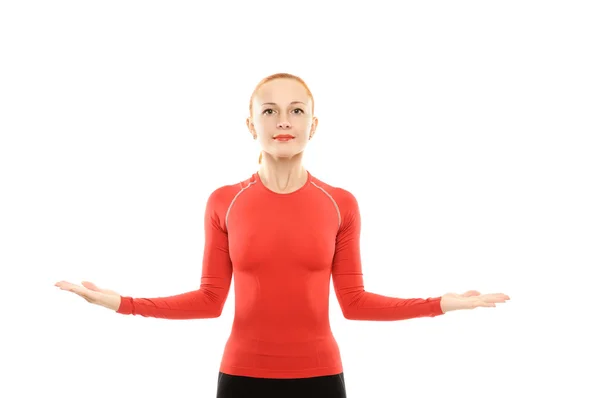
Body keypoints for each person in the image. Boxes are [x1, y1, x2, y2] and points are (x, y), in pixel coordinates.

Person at [55, 72, 510, 397]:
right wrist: (122, 304)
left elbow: (355, 304)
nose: (283, 121)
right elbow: (209, 300)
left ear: (314, 125)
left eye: (296, 110)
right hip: (241, 378)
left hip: (321, 379)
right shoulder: (224, 201)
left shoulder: (340, 203)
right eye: (269, 111)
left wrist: (442, 304)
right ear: (251, 125)